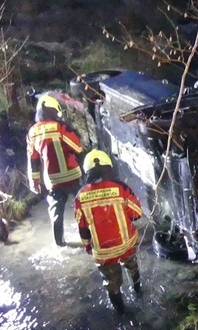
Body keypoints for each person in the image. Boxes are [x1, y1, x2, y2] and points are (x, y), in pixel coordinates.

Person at [75, 149, 143, 313]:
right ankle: (138, 291)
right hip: (126, 244)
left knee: (111, 283)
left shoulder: (80, 196)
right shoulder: (121, 188)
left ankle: (120, 312)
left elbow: (82, 227)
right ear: (109, 167)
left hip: (103, 252)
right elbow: (137, 214)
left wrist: (88, 247)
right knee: (132, 267)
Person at [27, 94, 84, 247]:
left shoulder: (32, 132)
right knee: (83, 205)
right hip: (72, 175)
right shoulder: (60, 127)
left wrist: (35, 182)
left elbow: (33, 160)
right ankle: (89, 237)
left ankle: (60, 243)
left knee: (56, 213)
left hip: (52, 181)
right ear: (53, 110)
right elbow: (78, 147)